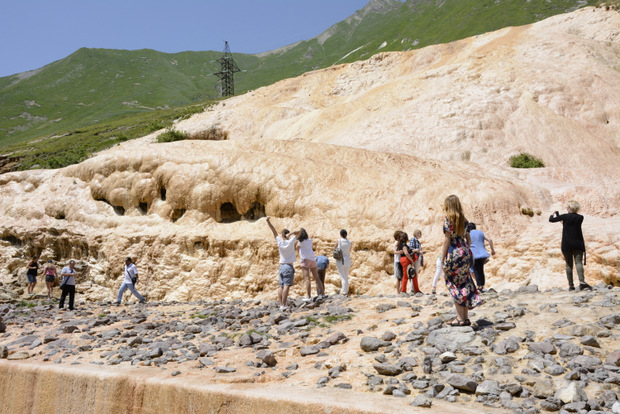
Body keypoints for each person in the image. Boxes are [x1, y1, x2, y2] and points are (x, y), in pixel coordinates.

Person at [441, 195, 481, 326]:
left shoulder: (448, 219)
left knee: (454, 285)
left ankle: (460, 318)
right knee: (464, 283)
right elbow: (468, 239)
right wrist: (466, 251)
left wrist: (442, 258)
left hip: (453, 253)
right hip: (464, 251)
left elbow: (447, 240)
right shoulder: (464, 220)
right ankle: (465, 317)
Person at [549, 200, 591, 291]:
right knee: (578, 262)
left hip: (567, 244)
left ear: (570, 208)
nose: (566, 208)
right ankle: (582, 282)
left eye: (567, 207)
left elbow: (551, 220)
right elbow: (570, 223)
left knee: (569, 264)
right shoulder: (580, 217)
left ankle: (571, 286)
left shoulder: (564, 216)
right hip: (578, 243)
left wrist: (553, 214)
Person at [266, 217, 301, 311]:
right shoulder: (291, 241)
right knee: (286, 286)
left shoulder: (280, 241)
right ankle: (284, 304)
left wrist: (268, 222)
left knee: (280, 286)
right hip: (289, 266)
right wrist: (292, 233)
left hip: (281, 266)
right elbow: (300, 230)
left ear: (282, 235)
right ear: (288, 235)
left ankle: (281, 304)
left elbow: (273, 231)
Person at [296, 228, 325, 301]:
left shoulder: (300, 241)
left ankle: (308, 296)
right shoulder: (309, 240)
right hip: (312, 259)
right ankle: (323, 294)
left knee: (307, 279)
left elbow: (297, 248)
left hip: (305, 260)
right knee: (317, 278)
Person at [468, 223, 495, 292]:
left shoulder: (468, 234)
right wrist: (492, 250)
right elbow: (490, 240)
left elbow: (467, 244)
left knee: (475, 270)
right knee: (481, 270)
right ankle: (482, 285)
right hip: (483, 254)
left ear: (469, 228)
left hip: (474, 254)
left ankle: (479, 286)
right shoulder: (481, 232)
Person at [335, 229, 352, 296]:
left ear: (340, 235)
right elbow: (349, 250)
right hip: (348, 260)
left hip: (340, 261)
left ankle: (344, 293)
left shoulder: (338, 241)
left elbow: (335, 249)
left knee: (343, 277)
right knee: (346, 276)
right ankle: (346, 291)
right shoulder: (350, 242)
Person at [408, 229, 424, 294]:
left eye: (419, 233)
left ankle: (415, 289)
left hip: (417, 258)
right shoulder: (413, 240)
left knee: (415, 273)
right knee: (413, 273)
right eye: (418, 233)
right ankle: (412, 289)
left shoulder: (417, 241)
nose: (419, 235)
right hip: (414, 258)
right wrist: (417, 251)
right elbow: (410, 248)